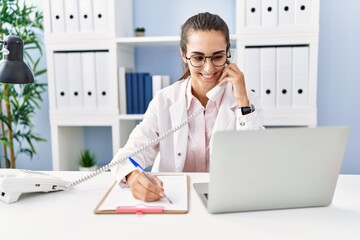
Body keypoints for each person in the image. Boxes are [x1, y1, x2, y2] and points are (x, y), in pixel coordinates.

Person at [111, 12, 264, 202]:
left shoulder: (247, 100)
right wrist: (133, 176)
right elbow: (125, 157)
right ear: (184, 55)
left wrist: (242, 102)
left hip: (229, 199)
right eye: (198, 58)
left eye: (217, 57)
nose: (209, 69)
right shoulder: (164, 101)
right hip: (174, 200)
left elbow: (258, 161)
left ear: (228, 55)